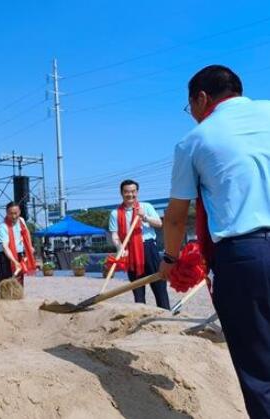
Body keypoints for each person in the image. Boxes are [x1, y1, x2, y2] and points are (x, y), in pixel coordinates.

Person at [160, 65, 270, 418]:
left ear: (202, 98)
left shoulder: (196, 140)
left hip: (246, 257)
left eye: (189, 106)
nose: (191, 114)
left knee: (260, 368)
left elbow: (176, 217)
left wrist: (170, 259)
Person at [108, 180, 169, 309]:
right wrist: (120, 247)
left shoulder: (146, 207)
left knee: (159, 285)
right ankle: (140, 315)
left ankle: (165, 313)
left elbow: (159, 223)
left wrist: (145, 217)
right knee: (137, 288)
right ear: (121, 193)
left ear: (137, 192)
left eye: (133, 191)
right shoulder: (115, 213)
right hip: (130, 252)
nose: (130, 194)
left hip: (148, 249)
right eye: (126, 192)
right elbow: (115, 235)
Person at [0, 202, 35, 286]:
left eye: (15, 213)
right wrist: (14, 262)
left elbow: (26, 232)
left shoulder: (21, 220)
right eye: (11, 214)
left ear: (19, 212)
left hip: (19, 254)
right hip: (4, 256)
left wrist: (30, 246)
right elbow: (5, 247)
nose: (13, 216)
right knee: (6, 284)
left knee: (19, 283)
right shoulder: (3, 226)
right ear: (6, 213)